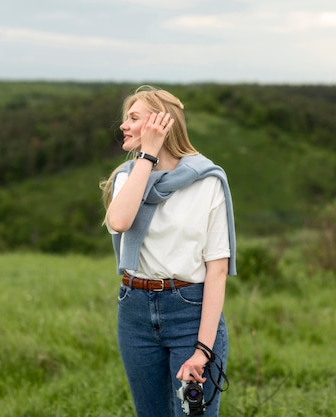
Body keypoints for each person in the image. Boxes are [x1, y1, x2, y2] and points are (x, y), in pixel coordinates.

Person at [100, 85, 236, 417]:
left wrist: (202, 350)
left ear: (160, 124)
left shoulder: (207, 181)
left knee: (193, 415)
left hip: (189, 311)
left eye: (133, 118)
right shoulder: (130, 177)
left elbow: (217, 271)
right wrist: (147, 156)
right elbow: (118, 221)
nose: (123, 125)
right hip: (134, 311)